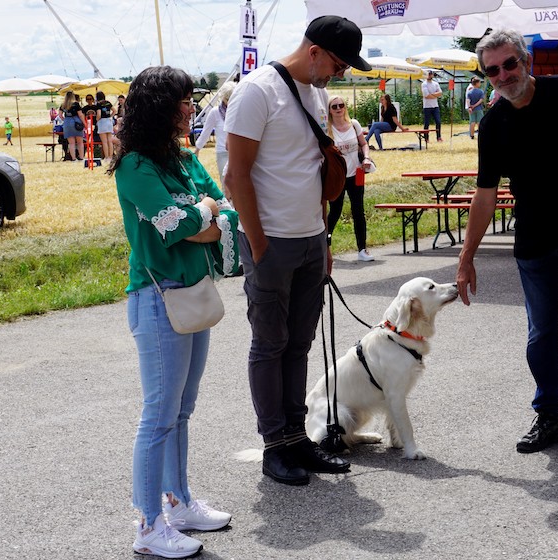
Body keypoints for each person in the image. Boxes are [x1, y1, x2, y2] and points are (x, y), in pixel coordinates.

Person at [456, 29, 558, 461]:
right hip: (534, 241)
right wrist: (466, 257)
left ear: (526, 61)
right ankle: (549, 418)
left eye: (509, 64)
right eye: (493, 70)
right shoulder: (493, 125)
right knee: (541, 335)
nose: (503, 75)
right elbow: (485, 194)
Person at [223, 15, 371, 486]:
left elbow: (312, 170)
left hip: (309, 240)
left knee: (300, 343)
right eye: (338, 65)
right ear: (314, 52)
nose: (339, 75)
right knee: (270, 344)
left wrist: (322, 238)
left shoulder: (316, 93)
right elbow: (236, 175)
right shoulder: (257, 91)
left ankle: (296, 437)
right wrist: (259, 243)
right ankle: (275, 445)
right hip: (270, 241)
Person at [109, 65, 239, 558]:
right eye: (183, 101)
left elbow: (226, 209)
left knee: (181, 409)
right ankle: (148, 525)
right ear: (159, 108)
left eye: (191, 100)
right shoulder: (135, 166)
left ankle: (178, 502)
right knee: (159, 414)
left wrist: (202, 216)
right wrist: (202, 214)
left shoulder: (184, 159)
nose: (191, 109)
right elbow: (176, 224)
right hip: (158, 297)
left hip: (191, 292)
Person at [326, 94, 375, 262]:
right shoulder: (328, 129)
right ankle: (325, 244)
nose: (338, 109)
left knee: (358, 211)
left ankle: (362, 249)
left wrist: (366, 158)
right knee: (335, 212)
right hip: (338, 177)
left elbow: (364, 143)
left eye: (341, 105)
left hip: (356, 173)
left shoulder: (354, 124)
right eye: (334, 106)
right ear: (329, 110)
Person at [195, 80, 237, 186]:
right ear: (223, 98)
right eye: (228, 98)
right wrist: (197, 149)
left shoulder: (239, 110)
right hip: (222, 152)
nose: (230, 101)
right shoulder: (215, 112)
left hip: (238, 152)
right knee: (226, 183)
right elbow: (206, 132)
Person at [60, 91, 85, 161]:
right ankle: (81, 157)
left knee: (71, 143)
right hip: (76, 122)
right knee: (80, 142)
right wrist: (84, 123)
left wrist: (65, 120)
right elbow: (80, 114)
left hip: (67, 123)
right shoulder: (76, 104)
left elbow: (60, 115)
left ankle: (73, 158)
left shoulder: (63, 105)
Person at [421, 70, 443, 143]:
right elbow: (426, 95)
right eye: (428, 74)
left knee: (438, 122)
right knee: (426, 123)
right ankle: (426, 138)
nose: (430, 75)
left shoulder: (436, 84)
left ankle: (439, 137)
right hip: (427, 106)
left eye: (431, 74)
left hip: (435, 106)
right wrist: (435, 95)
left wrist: (432, 95)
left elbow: (440, 93)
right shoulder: (424, 84)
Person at [95, 91, 116, 160]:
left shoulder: (98, 104)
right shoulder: (108, 102)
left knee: (104, 142)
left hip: (102, 122)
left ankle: (106, 157)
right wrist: (110, 116)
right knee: (110, 141)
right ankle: (111, 156)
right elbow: (114, 110)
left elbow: (99, 114)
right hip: (109, 121)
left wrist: (97, 120)